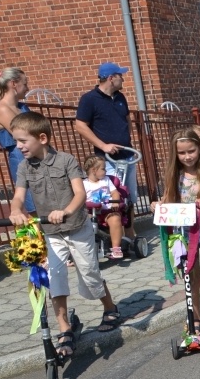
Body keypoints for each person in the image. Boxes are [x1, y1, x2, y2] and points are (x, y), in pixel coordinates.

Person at [9, 112, 121, 357]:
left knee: (90, 275)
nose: (18, 146)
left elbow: (80, 193)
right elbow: (18, 195)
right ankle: (65, 328)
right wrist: (16, 210)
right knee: (55, 278)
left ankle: (110, 307)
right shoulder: (24, 167)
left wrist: (66, 210)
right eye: (15, 141)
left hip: (77, 228)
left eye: (22, 141)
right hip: (51, 233)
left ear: (42, 138)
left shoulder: (66, 161)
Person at [152, 128, 200, 338]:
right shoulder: (174, 175)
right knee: (192, 279)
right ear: (175, 154)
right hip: (186, 234)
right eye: (182, 153)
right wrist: (158, 205)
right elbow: (168, 200)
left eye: (191, 151)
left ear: (199, 149)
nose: (187, 156)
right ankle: (195, 320)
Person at [75, 62, 139, 241]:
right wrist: (103, 146)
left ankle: (130, 233)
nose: (123, 79)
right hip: (108, 160)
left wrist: (128, 140)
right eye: (120, 75)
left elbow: (127, 119)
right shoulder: (89, 99)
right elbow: (80, 126)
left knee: (130, 196)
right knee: (111, 197)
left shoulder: (120, 97)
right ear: (111, 78)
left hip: (127, 156)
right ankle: (112, 236)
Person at [0, 67, 35, 214]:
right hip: (21, 158)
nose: (27, 88)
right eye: (25, 84)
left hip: (37, 154)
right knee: (36, 208)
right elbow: (24, 135)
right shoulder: (1, 108)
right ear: (14, 84)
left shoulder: (21, 106)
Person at [82, 155, 125, 260]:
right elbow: (81, 197)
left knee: (115, 219)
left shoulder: (106, 180)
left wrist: (115, 202)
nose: (105, 171)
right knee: (82, 223)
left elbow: (115, 192)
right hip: (91, 212)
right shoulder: (84, 184)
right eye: (103, 169)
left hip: (107, 211)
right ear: (94, 170)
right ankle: (83, 251)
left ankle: (116, 248)